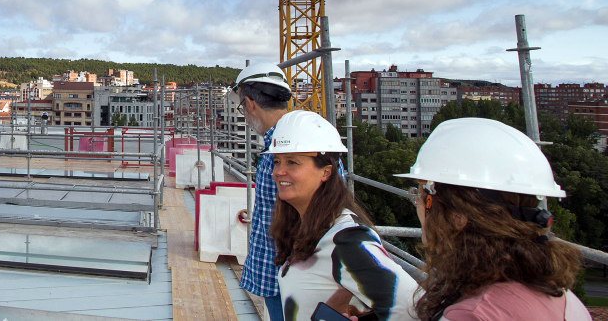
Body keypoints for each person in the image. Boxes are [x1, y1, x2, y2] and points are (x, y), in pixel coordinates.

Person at [395, 118, 591, 321]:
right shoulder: (565, 299)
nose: (417, 205)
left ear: (456, 217)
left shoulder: (473, 315)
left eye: (419, 196)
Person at [268, 110, 418, 321]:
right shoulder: (307, 228)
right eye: (277, 161)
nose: (278, 172)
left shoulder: (347, 239)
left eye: (292, 162)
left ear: (326, 172)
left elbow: (412, 309)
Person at [236, 62, 294, 321]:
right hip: (286, 275)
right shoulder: (300, 140)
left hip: (286, 278)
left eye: (242, 108)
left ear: (250, 104)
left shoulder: (281, 150)